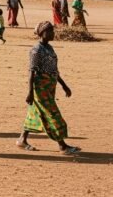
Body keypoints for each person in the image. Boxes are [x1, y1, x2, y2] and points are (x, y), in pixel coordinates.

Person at [16, 22, 81, 155]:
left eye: (52, 31)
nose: (53, 34)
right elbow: (31, 72)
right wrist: (30, 93)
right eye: (49, 31)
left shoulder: (50, 49)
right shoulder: (36, 50)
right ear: (41, 33)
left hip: (50, 86)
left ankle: (22, 140)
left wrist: (64, 85)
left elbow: (54, 71)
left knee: (35, 112)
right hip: (40, 88)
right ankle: (62, 146)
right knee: (53, 114)